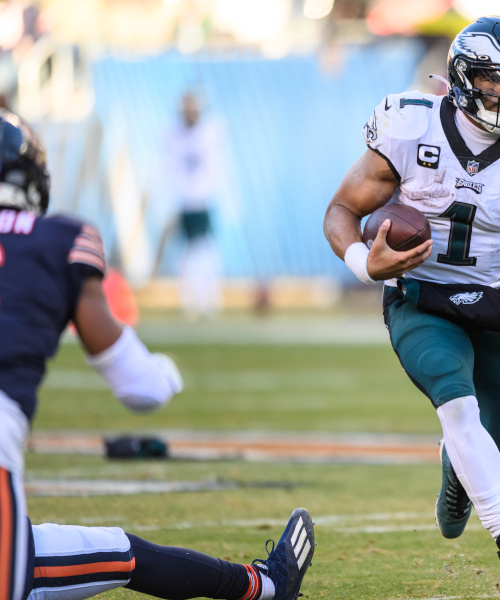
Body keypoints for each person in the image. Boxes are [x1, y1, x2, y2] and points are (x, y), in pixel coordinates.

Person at [0, 109, 315, 600]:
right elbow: (140, 388)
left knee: (112, 551)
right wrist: (167, 373)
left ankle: (263, 586)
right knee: (116, 553)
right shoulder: (58, 242)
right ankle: (266, 588)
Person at [322, 16, 500, 600]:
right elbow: (340, 209)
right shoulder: (409, 125)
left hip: (494, 298)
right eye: (493, 79)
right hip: (421, 295)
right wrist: (365, 263)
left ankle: (457, 469)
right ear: (464, 78)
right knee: (458, 408)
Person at [164, 91, 224, 320]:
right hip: (183, 202)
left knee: (206, 251)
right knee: (186, 253)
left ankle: (208, 299)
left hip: (203, 201)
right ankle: (191, 301)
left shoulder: (208, 132)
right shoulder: (173, 135)